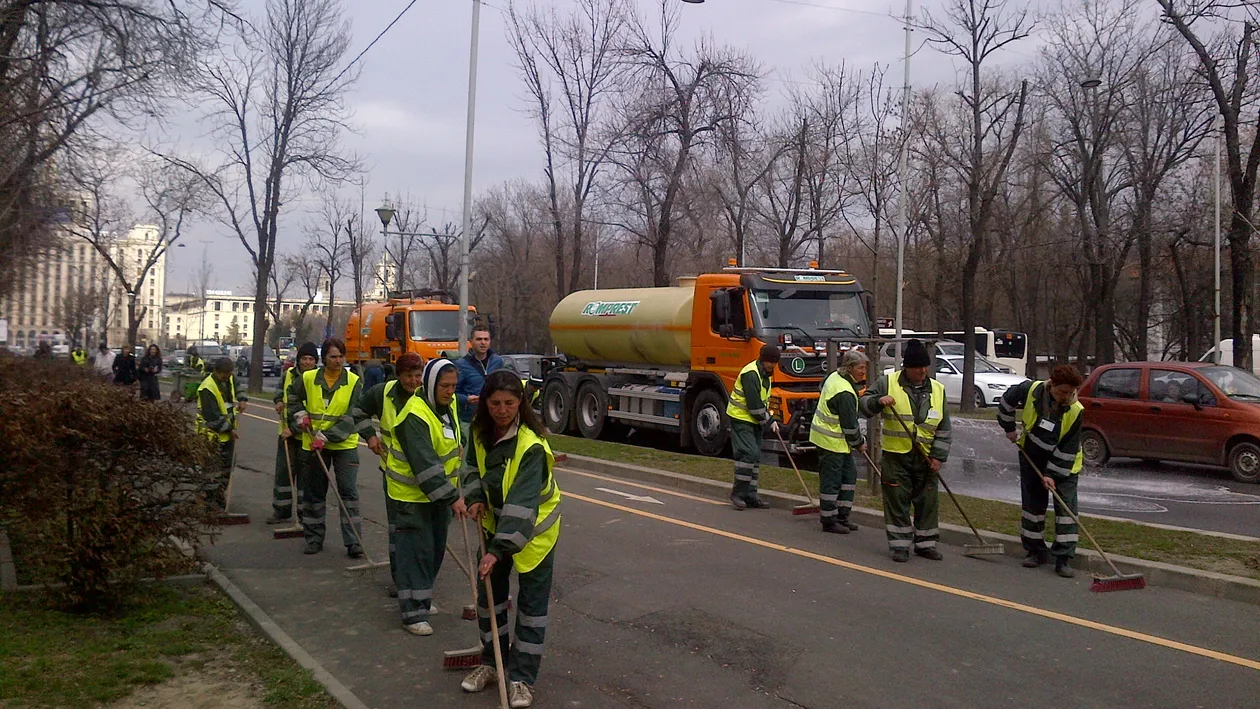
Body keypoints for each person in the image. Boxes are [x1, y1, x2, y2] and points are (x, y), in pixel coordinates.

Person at [454, 370, 560, 709]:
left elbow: (522, 504)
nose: (502, 410)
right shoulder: (478, 431)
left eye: (510, 404)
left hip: (534, 533)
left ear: (520, 404)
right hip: (494, 526)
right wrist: (474, 497)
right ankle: (493, 662)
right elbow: (469, 467)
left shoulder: (531, 445)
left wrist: (498, 551)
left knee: (531, 610)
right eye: (495, 403)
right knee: (489, 601)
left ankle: (521, 679)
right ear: (485, 403)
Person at [359, 355, 462, 635]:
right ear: (430, 384)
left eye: (453, 386)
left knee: (434, 551)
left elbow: (452, 451)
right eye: (445, 386)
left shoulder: (446, 408)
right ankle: (413, 613)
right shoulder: (414, 415)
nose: (450, 391)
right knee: (415, 553)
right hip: (411, 497)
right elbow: (425, 466)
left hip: (438, 498)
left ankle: (422, 600)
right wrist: (454, 498)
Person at [859, 339, 951, 562]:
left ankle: (926, 544)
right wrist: (878, 401)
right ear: (906, 367)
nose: (922, 371)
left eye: (925, 366)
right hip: (896, 457)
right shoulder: (888, 382)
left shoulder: (937, 390)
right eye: (917, 367)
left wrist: (938, 456)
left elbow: (944, 428)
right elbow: (863, 405)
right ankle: (900, 545)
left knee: (927, 502)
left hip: (926, 458)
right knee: (897, 501)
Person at [287, 337, 375, 557]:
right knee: (314, 493)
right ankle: (314, 538)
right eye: (333, 357)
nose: (338, 361)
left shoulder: (353, 381)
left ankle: (353, 541)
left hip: (343, 444)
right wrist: (301, 417)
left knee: (348, 492)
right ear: (324, 358)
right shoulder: (308, 378)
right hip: (314, 446)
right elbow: (293, 396)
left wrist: (326, 436)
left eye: (341, 356)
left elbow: (352, 414)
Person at [997, 364, 1086, 579]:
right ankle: (1035, 551)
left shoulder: (1075, 410)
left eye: (1071, 392)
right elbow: (1005, 403)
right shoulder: (1029, 390)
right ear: (1052, 385)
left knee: (1066, 510)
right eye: (1062, 391)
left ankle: (1063, 558)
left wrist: (1052, 474)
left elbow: (1068, 447)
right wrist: (1009, 428)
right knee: (1032, 505)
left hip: (1065, 464)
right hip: (1031, 456)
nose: (1066, 396)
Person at [809, 349, 867, 534]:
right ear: (849, 368)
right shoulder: (844, 392)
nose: (863, 372)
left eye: (864, 368)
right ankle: (829, 519)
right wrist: (859, 443)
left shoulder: (835, 377)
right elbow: (850, 426)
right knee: (832, 481)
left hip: (836, 441)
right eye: (860, 368)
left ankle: (842, 515)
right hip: (829, 440)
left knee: (848, 476)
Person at [267, 342, 319, 525]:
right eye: (304, 358)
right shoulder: (288, 374)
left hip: (305, 436)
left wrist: (295, 430)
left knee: (306, 477)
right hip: (286, 433)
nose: (307, 362)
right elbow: (279, 391)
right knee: (284, 473)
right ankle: (281, 510)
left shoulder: (316, 379)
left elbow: (312, 411)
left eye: (311, 359)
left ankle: (303, 514)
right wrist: (278, 401)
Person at [725, 344, 781, 510]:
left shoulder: (766, 374)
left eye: (775, 362)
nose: (772, 365)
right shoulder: (751, 374)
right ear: (762, 360)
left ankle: (751, 495)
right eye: (770, 362)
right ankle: (738, 494)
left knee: (755, 458)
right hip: (741, 418)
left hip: (754, 420)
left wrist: (767, 419)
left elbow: (761, 402)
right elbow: (754, 405)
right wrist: (770, 421)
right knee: (749, 454)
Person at [196, 357, 248, 508]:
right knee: (212, 470)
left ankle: (219, 498)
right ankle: (209, 500)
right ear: (216, 372)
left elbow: (238, 386)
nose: (227, 377)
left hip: (227, 435)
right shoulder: (207, 388)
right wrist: (230, 429)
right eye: (224, 374)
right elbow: (212, 416)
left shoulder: (229, 378)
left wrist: (242, 399)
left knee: (226, 468)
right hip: (211, 435)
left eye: (229, 374)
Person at [455, 327, 505, 423]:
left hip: (494, 417)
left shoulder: (498, 362)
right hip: (470, 419)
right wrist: (466, 399)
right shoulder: (460, 365)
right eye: (479, 339)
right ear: (471, 341)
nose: (483, 342)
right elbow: (452, 393)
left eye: (486, 339)